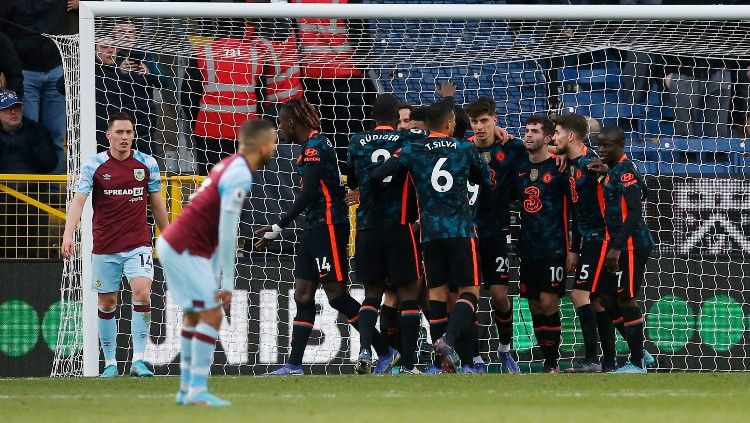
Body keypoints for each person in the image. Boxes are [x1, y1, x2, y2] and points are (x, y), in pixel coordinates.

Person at [255, 98, 397, 375]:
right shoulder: (309, 147)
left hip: (330, 225)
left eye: (281, 123)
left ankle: (385, 350)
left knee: (335, 295)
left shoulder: (315, 147)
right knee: (303, 294)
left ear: (292, 122)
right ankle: (294, 364)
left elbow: (309, 194)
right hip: (314, 226)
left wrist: (278, 226)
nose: (280, 129)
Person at [156, 119, 277, 407]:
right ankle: (197, 390)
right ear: (261, 145)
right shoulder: (240, 174)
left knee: (196, 315)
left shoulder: (229, 164)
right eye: (273, 142)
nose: (275, 147)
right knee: (212, 315)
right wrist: (226, 283)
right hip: (186, 248)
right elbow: (226, 228)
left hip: (177, 245)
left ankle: (186, 390)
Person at [371, 100, 493, 373]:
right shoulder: (464, 147)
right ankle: (448, 341)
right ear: (450, 123)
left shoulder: (414, 149)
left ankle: (440, 365)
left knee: (436, 294)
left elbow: (379, 173)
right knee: (470, 291)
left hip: (429, 234)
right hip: (461, 230)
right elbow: (485, 179)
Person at [61, 112, 169, 378]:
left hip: (138, 243)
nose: (124, 137)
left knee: (142, 292)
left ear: (134, 135)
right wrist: (68, 233)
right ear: (108, 135)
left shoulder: (147, 163)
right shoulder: (94, 165)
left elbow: (156, 203)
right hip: (105, 246)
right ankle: (110, 362)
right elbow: (79, 200)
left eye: (129, 133)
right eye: (119, 132)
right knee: (108, 302)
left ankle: (139, 360)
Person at [347, 94, 425, 374]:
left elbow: (354, 182)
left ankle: (366, 351)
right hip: (399, 226)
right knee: (408, 295)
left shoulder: (356, 141)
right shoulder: (407, 140)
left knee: (371, 294)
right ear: (396, 119)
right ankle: (407, 364)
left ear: (372, 117)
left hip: (367, 227)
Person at [182, 21, 302, 175]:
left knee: (211, 184)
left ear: (217, 28)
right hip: (246, 132)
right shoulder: (255, 55)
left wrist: (198, 122)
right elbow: (261, 97)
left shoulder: (202, 52)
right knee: (245, 184)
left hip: (209, 130)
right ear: (243, 29)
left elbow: (187, 95)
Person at [465, 97, 525, 374]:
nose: (479, 127)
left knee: (500, 295)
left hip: (497, 232)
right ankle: (475, 358)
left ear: (495, 120)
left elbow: (543, 151)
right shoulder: (463, 150)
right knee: (470, 296)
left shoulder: (510, 147)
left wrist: (561, 154)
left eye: (484, 121)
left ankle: (504, 348)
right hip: (466, 233)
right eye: (475, 122)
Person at [589, 126, 655, 374]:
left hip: (630, 245)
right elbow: (645, 191)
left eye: (608, 146)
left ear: (621, 146)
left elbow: (636, 212)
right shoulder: (618, 169)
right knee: (605, 297)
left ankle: (637, 363)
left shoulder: (625, 170)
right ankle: (640, 351)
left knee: (626, 299)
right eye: (600, 144)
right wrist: (609, 171)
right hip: (616, 243)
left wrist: (616, 248)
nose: (602, 150)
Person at [552, 113, 614, 373]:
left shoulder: (591, 165)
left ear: (571, 136)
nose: (553, 138)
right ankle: (609, 361)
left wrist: (609, 174)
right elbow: (577, 213)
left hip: (601, 239)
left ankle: (592, 359)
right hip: (587, 240)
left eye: (557, 133)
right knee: (599, 300)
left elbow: (617, 188)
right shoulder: (572, 164)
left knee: (580, 294)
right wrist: (574, 249)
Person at [513, 115, 571, 373]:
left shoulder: (560, 168)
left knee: (548, 302)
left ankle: (551, 362)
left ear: (548, 139)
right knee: (534, 304)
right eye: (526, 130)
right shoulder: (519, 167)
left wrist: (573, 249)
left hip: (554, 246)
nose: (528, 135)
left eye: (535, 131)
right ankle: (546, 359)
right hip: (527, 247)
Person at [0, 0, 72, 174]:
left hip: (57, 68)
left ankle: (53, 193)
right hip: (23, 71)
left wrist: (84, 4)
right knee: (24, 134)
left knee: (57, 135)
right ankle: (28, 192)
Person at [94, 43, 160, 155]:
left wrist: (150, 73)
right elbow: (61, 86)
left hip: (140, 135)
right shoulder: (90, 71)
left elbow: (163, 82)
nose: (110, 50)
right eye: (104, 47)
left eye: (113, 47)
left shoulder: (131, 64)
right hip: (102, 139)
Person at [0, 90, 58, 174]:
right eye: (8, 109)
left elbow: (51, 164)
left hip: (32, 185)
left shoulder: (36, 131)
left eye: (17, 108)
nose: (13, 112)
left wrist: (35, 146)